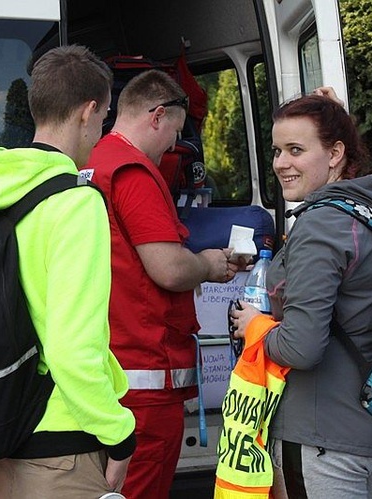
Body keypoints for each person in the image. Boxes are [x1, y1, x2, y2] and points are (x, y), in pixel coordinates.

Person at [0, 44, 136, 499]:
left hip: (0, 441)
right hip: (61, 451)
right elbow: (73, 348)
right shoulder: (76, 204)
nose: (102, 130)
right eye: (105, 116)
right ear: (88, 110)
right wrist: (119, 434)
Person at [230, 93, 372, 498]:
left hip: (323, 438)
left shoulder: (321, 225)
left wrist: (255, 326)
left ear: (335, 153)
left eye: (296, 150)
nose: (282, 163)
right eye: (278, 150)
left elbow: (301, 348)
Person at [81, 69, 243, 499]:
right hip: (146, 377)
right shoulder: (133, 171)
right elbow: (169, 269)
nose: (174, 146)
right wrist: (207, 265)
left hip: (111, 367)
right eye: (174, 132)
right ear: (157, 116)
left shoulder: (91, 162)